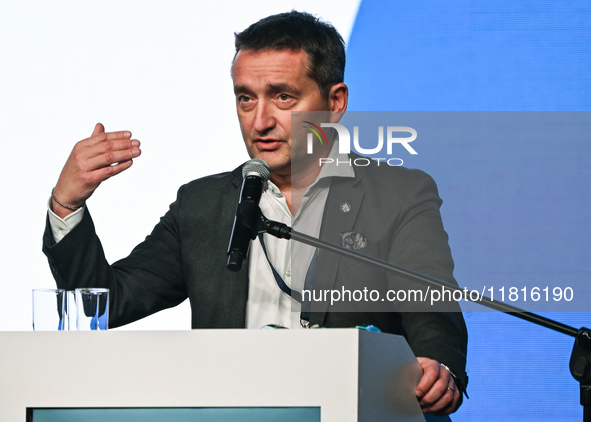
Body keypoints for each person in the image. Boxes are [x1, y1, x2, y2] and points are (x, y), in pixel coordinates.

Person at [43, 11, 467, 417]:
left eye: (283, 96)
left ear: (334, 102)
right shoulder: (203, 205)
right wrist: (67, 203)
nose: (260, 121)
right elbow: (102, 304)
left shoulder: (397, 195)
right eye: (246, 99)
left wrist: (440, 369)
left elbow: (432, 312)